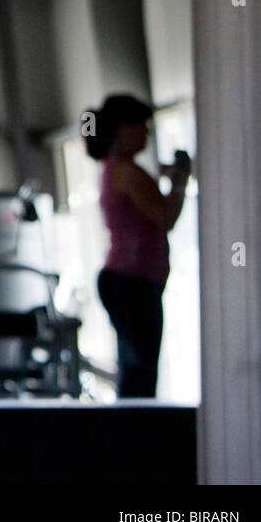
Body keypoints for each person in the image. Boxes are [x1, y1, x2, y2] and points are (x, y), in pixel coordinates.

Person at [86, 94, 191, 398]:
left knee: (137, 373)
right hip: (133, 285)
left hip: (131, 283)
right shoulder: (128, 172)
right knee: (140, 377)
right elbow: (165, 216)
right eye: (141, 125)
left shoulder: (119, 168)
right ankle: (137, 439)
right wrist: (180, 182)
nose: (147, 132)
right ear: (123, 129)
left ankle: (133, 437)